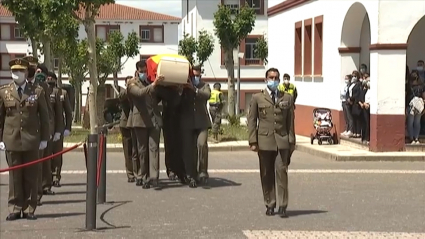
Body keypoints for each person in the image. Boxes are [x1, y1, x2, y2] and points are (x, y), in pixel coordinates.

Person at [0, 58, 50, 220]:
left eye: (20, 71)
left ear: (26, 72)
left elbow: (44, 116)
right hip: (11, 139)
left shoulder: (37, 91)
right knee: (15, 176)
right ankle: (15, 207)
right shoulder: (4, 92)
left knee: (31, 175)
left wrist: (44, 138)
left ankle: (29, 208)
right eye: (14, 71)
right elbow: (1, 118)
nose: (17, 74)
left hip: (31, 139)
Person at [247, 67, 295, 217]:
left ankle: (283, 205)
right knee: (266, 174)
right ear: (265, 79)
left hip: (282, 141)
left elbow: (290, 121)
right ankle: (270, 203)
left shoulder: (287, 98)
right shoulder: (257, 98)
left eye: (276, 78)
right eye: (271, 78)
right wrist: (253, 140)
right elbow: (251, 120)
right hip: (264, 141)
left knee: (282, 173)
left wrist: (291, 141)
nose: (273, 80)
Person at [127, 61, 180, 188]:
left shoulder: (150, 83)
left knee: (154, 149)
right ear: (137, 72)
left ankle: (154, 177)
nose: (144, 73)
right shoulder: (132, 84)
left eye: (145, 71)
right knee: (142, 150)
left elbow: (163, 95)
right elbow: (140, 93)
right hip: (140, 121)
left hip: (154, 121)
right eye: (142, 71)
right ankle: (144, 177)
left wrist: (175, 87)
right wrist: (154, 84)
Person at [179, 65, 211, 188]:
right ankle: (191, 175)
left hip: (202, 121)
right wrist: (182, 89)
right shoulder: (184, 87)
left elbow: (206, 95)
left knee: (202, 144)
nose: (196, 78)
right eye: (194, 76)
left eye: (198, 75)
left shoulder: (204, 86)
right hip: (187, 123)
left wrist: (194, 89)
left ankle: (202, 172)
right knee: (189, 149)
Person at [47, 72, 72, 187]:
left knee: (57, 155)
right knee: (46, 155)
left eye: (51, 78)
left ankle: (56, 177)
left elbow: (68, 112)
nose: (49, 79)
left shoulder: (62, 93)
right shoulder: (43, 91)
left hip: (59, 128)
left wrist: (68, 127)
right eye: (48, 77)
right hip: (47, 129)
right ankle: (47, 178)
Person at [119, 76, 136, 183]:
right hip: (125, 124)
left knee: (136, 150)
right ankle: (130, 174)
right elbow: (122, 96)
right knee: (128, 150)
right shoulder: (124, 93)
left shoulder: (136, 92)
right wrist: (129, 87)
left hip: (136, 124)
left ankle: (137, 172)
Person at [406, 71, 425, 144]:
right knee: (417, 123)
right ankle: (416, 138)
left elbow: (406, 96)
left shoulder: (408, 86)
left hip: (410, 106)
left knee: (410, 123)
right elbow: (423, 96)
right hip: (419, 106)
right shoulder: (422, 87)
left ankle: (411, 138)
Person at [347, 70, 363, 138]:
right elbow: (348, 92)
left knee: (357, 118)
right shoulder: (351, 84)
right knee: (353, 117)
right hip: (350, 103)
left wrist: (352, 99)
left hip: (355, 103)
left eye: (355, 76)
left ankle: (358, 132)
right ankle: (354, 131)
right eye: (353, 76)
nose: (354, 77)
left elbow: (357, 94)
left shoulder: (358, 84)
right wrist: (348, 98)